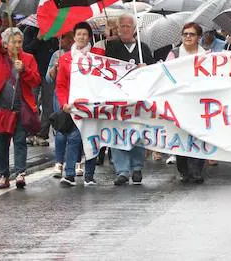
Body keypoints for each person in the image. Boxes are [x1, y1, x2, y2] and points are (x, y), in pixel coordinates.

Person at [0, 27, 41, 189]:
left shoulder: (28, 58)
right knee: (2, 144)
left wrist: (24, 70)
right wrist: (2, 43)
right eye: (14, 42)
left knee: (20, 141)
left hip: (21, 107)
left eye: (20, 42)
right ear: (7, 44)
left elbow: (35, 81)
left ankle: (20, 173)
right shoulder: (0, 57)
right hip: (2, 108)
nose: (18, 45)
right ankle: (4, 175)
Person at [104, 13, 154, 186]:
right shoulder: (110, 47)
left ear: (134, 29)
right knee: (117, 133)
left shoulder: (144, 48)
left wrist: (145, 69)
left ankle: (137, 167)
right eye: (122, 26)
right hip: (117, 98)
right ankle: (123, 170)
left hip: (137, 99)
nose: (125, 29)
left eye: (128, 26)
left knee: (137, 132)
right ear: (117, 29)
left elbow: (155, 72)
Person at [55, 23, 100, 186]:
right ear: (74, 37)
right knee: (73, 138)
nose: (81, 37)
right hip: (73, 106)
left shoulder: (97, 56)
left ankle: (89, 175)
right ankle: (69, 174)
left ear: (89, 37)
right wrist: (63, 103)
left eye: (85, 34)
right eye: (79, 34)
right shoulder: (65, 58)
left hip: (92, 106)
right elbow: (60, 85)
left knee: (91, 139)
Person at [165, 22, 207, 183]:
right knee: (181, 135)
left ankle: (197, 169)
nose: (188, 37)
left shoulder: (207, 56)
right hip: (179, 101)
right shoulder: (174, 54)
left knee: (199, 135)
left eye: (192, 34)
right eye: (185, 34)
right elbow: (165, 73)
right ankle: (184, 169)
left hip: (200, 101)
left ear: (199, 38)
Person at [47, 32, 74, 178]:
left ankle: (76, 161)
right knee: (61, 129)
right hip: (60, 97)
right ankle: (59, 161)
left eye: (64, 37)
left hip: (76, 97)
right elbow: (49, 78)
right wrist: (55, 68)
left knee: (76, 133)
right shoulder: (56, 55)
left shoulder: (79, 55)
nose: (61, 40)